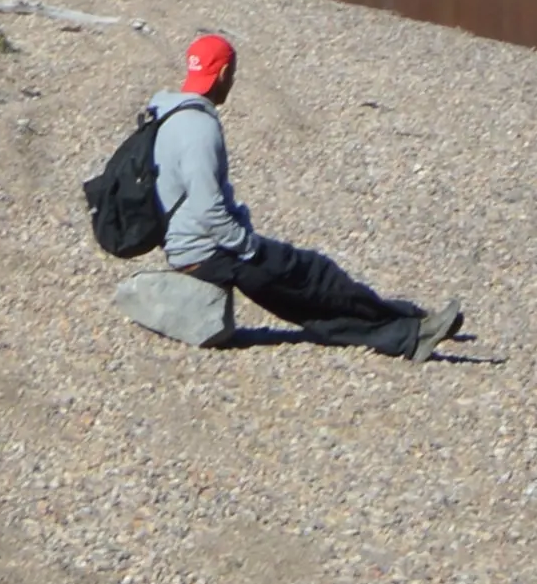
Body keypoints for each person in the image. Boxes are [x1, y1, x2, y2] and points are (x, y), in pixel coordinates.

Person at [150, 33, 463, 357]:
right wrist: (248, 247)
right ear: (224, 74)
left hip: (190, 246)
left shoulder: (170, 115)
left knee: (309, 287)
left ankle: (408, 320)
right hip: (208, 252)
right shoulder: (199, 128)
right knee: (315, 278)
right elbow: (207, 208)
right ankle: (411, 332)